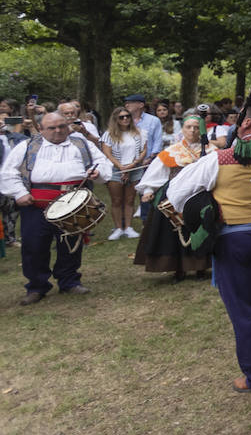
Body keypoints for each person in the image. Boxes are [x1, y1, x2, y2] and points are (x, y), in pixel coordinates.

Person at [167, 104, 251, 393]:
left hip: (235, 240)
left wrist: (206, 207)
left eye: (238, 117)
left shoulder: (220, 159)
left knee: (246, 308)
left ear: (246, 122)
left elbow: (176, 193)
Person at [1, 112, 115, 304]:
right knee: (34, 246)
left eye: (62, 126)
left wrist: (98, 172)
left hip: (74, 205)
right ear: (41, 129)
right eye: (52, 128)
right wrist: (19, 193)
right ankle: (37, 286)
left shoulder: (81, 144)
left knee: (71, 244)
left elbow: (103, 164)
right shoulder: (27, 146)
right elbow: (7, 172)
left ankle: (69, 281)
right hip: (36, 205)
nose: (58, 131)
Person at [133, 113, 211, 280]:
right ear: (182, 129)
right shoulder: (171, 152)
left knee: (204, 224)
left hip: (202, 193)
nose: (193, 130)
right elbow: (157, 172)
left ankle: (201, 266)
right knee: (171, 225)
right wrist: (148, 190)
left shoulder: (211, 151)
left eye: (196, 127)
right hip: (174, 192)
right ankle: (177, 267)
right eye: (188, 127)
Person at [99, 106, 146, 240]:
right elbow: (107, 153)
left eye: (127, 116)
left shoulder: (139, 132)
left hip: (135, 168)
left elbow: (143, 150)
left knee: (130, 199)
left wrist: (132, 165)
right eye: (121, 117)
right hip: (115, 169)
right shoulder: (108, 134)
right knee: (117, 200)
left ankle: (128, 227)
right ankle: (118, 227)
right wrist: (121, 167)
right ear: (116, 119)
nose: (125, 118)